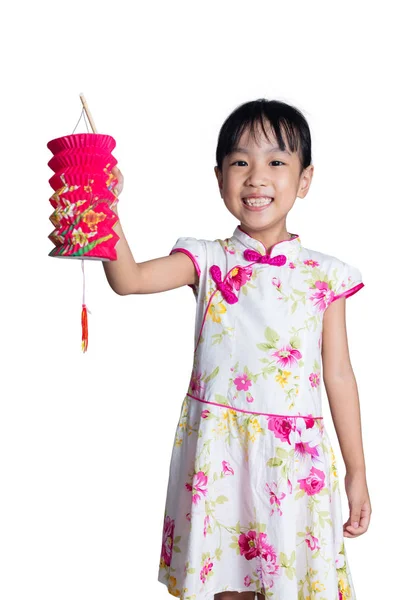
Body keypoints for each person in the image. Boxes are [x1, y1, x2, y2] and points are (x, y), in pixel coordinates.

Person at [104, 99, 371, 600]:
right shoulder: (205, 260)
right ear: (219, 176)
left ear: (305, 179)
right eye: (240, 162)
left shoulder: (325, 276)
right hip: (219, 454)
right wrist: (106, 208)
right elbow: (130, 279)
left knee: (291, 585)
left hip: (294, 463)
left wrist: (357, 473)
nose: (256, 177)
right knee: (224, 588)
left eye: (276, 162)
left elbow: (338, 375)